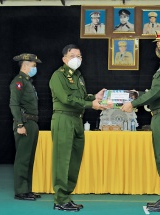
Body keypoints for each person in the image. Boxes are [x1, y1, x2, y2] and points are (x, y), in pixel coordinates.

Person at [121, 31, 160, 212]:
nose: (158, 47)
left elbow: (158, 92)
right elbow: (157, 91)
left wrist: (133, 103)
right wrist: (138, 95)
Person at [49, 44, 107, 211]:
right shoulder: (58, 76)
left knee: (74, 161)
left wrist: (94, 97)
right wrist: (91, 104)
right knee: (62, 160)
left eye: (80, 56)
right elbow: (67, 99)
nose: (77, 59)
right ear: (64, 59)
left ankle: (66, 196)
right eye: (73, 55)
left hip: (76, 120)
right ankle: (60, 200)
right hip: (63, 119)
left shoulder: (78, 77)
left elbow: (80, 97)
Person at [9, 53, 42, 201]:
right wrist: (20, 124)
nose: (35, 68)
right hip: (25, 123)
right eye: (34, 66)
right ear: (25, 65)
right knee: (23, 158)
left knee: (29, 158)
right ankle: (20, 191)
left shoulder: (29, 82)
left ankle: (27, 189)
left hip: (32, 123)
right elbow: (14, 104)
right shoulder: (18, 82)